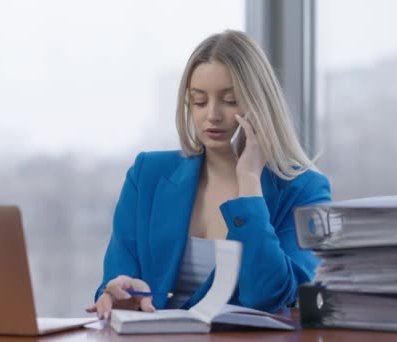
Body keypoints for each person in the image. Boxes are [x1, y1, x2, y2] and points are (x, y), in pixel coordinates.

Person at [86, 29, 331, 320]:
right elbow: (115, 278)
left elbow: (268, 295)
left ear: (261, 105)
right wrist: (119, 293)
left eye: (230, 100)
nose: (212, 115)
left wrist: (249, 184)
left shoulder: (305, 190)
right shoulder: (147, 174)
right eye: (199, 101)